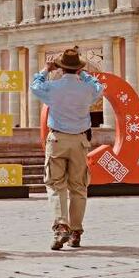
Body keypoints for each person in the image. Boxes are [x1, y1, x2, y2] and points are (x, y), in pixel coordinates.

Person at [30, 46, 104, 251]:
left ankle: (61, 225)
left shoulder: (53, 87)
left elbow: (35, 86)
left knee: (55, 184)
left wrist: (45, 70)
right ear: (78, 68)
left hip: (57, 141)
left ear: (61, 68)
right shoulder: (87, 89)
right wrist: (86, 76)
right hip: (80, 141)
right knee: (79, 187)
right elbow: (100, 88)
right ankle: (76, 231)